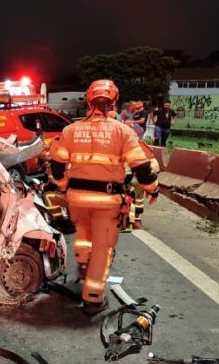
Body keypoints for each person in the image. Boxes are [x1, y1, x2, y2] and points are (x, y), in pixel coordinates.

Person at [49, 80, 159, 315]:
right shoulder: (123, 131)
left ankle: (83, 267)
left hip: (77, 199)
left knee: (83, 237)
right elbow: (141, 168)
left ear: (89, 101)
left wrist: (63, 186)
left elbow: (57, 166)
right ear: (114, 102)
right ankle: (92, 299)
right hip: (106, 202)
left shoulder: (70, 130)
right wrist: (152, 189)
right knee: (102, 249)